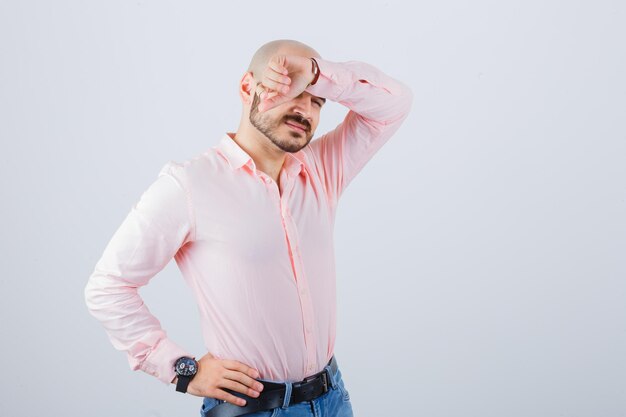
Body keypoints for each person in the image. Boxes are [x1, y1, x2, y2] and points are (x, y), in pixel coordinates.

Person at [84, 39, 412, 417]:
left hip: (333, 399)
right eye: (292, 91)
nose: (306, 108)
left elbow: (394, 104)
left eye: (317, 100)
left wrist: (319, 75)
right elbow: (108, 286)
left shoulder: (321, 168)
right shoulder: (189, 185)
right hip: (252, 410)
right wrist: (180, 369)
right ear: (247, 88)